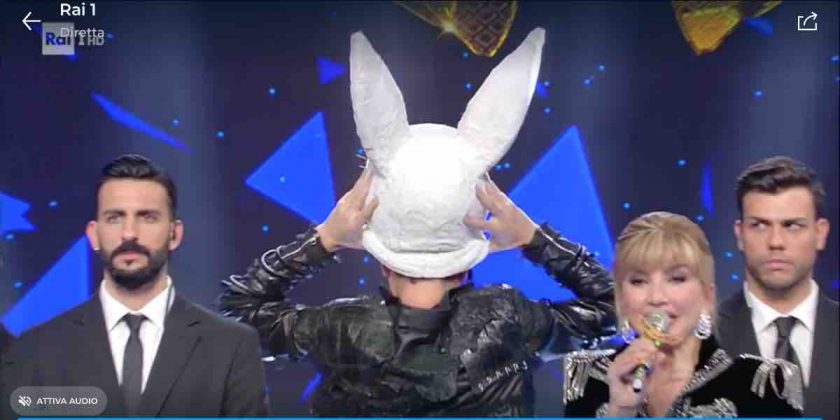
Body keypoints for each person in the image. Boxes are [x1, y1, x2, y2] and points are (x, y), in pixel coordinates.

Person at [220, 28, 616, 416]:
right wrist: (533, 238)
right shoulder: (510, 322)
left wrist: (325, 239)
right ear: (466, 262)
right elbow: (613, 308)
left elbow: (240, 313)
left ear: (383, 260)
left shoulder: (340, 329)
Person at [2, 155, 268, 417]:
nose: (129, 233)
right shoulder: (39, 348)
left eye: (147, 217)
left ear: (174, 234)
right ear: (93, 235)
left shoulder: (231, 346)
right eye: (114, 218)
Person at [564, 212, 803, 417]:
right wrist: (621, 411)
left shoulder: (762, 385)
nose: (656, 297)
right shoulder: (587, 379)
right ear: (621, 298)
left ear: (706, 296)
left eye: (676, 278)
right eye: (638, 281)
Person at [718, 156, 838, 420]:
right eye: (759, 225)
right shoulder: (703, 339)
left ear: (820, 234)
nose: (775, 241)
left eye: (792, 226)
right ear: (739, 234)